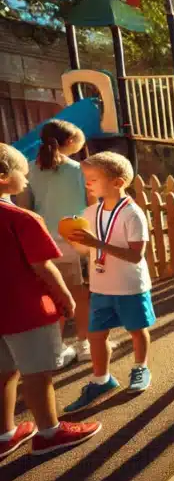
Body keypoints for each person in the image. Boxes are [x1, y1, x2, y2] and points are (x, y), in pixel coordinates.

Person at [0, 143, 101, 458]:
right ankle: (49, 432)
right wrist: (66, 297)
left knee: (4, 372)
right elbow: (42, 265)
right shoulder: (22, 218)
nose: (27, 180)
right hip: (27, 310)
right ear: (4, 176)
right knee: (37, 373)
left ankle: (4, 433)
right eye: (23, 174)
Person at [63, 152, 156, 411]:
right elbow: (88, 251)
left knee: (137, 330)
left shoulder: (132, 214)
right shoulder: (90, 212)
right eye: (86, 178)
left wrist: (97, 243)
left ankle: (140, 368)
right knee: (95, 335)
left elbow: (135, 255)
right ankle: (101, 379)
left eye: (93, 178)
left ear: (117, 182)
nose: (87, 183)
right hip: (100, 286)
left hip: (129, 286)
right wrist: (76, 242)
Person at [24, 120, 90, 365]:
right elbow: (91, 204)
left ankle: (55, 347)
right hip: (76, 241)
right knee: (81, 296)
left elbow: (26, 208)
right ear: (70, 142)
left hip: (44, 244)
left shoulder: (29, 170)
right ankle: (84, 344)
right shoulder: (80, 170)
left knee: (52, 296)